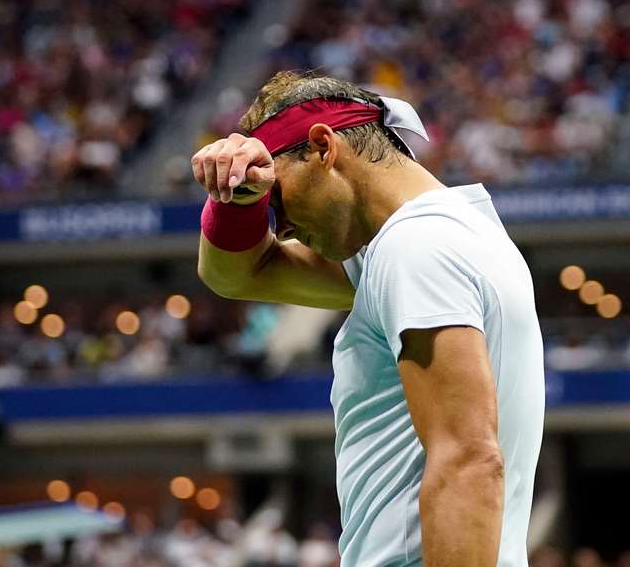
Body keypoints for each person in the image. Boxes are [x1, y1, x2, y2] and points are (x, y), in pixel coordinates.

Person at [193, 71, 545, 567]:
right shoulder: (456, 234)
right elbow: (238, 276)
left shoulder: (417, 249)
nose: (283, 225)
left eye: (277, 200)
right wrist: (236, 202)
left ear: (322, 148)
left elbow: (467, 460)